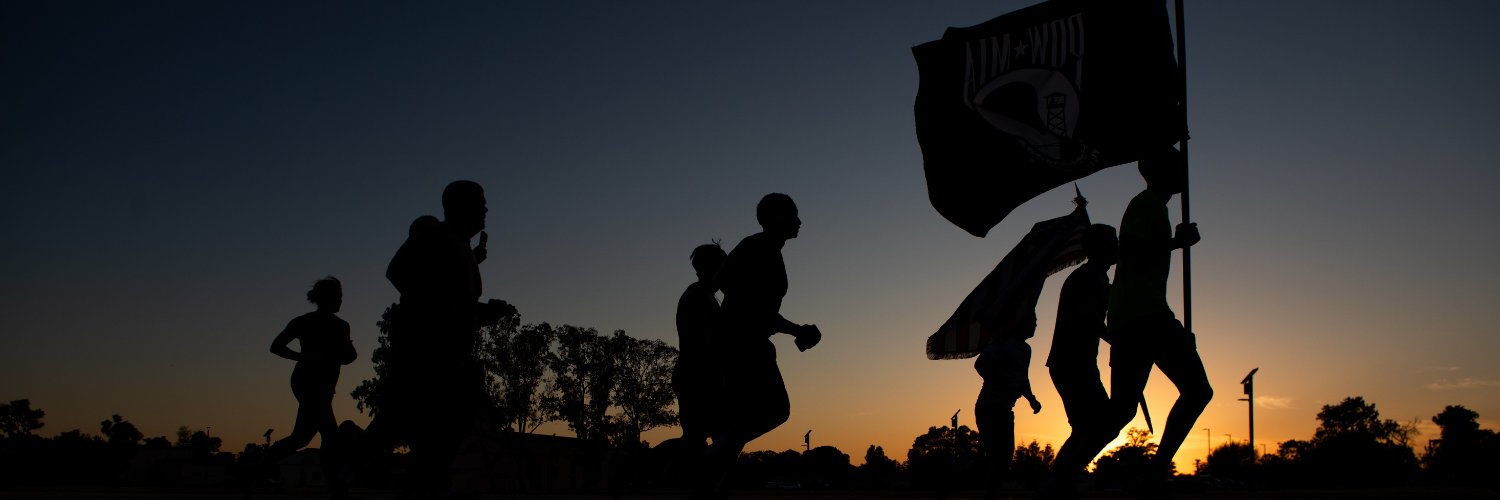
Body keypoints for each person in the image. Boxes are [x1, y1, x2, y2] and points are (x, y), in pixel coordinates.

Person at [373, 180, 509, 494]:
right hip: (428, 358)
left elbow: (460, 305)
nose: (486, 209)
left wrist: (487, 312)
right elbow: (399, 272)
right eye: (480, 202)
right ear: (459, 206)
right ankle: (351, 455)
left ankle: (424, 480)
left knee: (445, 434)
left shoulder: (461, 248)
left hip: (454, 359)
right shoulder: (436, 235)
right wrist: (435, 317)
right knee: (408, 427)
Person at [1099, 148, 1211, 496]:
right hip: (1145, 315)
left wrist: (1173, 242)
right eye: (1178, 167)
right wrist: (1177, 242)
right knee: (1197, 390)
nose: (1184, 174)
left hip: (1133, 316)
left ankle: (1064, 470)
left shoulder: (1153, 206)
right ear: (1161, 172)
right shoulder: (1146, 204)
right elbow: (1128, 249)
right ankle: (1153, 475)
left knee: (1121, 412)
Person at [698, 193, 822, 498]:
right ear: (778, 218)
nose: (800, 221)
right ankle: (710, 460)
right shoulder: (759, 248)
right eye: (794, 215)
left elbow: (746, 302)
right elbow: (746, 304)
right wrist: (794, 329)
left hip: (740, 342)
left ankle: (707, 488)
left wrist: (793, 330)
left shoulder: (760, 248)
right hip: (744, 345)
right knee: (776, 410)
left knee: (741, 421)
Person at [258, 277, 357, 499]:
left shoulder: (342, 326)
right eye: (338, 297)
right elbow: (276, 346)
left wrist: (345, 351)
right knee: (330, 434)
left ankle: (256, 469)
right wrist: (304, 356)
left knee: (301, 437)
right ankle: (336, 486)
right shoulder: (303, 322)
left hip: (326, 385)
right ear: (327, 298)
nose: (341, 301)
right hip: (308, 381)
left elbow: (349, 357)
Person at [1042, 224, 1119, 498]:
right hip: (1072, 362)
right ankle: (1061, 480)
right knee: (1101, 425)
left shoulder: (1097, 277)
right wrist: (1119, 342)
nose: (1117, 245)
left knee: (1088, 427)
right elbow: (1090, 318)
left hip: (1077, 362)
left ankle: (1060, 481)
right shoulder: (1088, 277)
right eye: (1112, 241)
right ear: (1098, 247)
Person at [974, 299, 1043, 500]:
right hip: (989, 406)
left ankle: (984, 494)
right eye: (1033, 321)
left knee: (1001, 459)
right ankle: (955, 483)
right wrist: (1003, 383)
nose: (1035, 325)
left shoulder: (1026, 350)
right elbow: (981, 366)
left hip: (1005, 408)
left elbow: (1023, 378)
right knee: (996, 458)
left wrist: (1031, 399)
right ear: (1021, 322)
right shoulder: (1003, 341)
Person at [674, 242, 727, 448]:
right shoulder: (697, 297)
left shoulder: (710, 298)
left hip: (701, 376)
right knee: (698, 440)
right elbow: (701, 343)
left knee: (712, 438)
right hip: (697, 377)